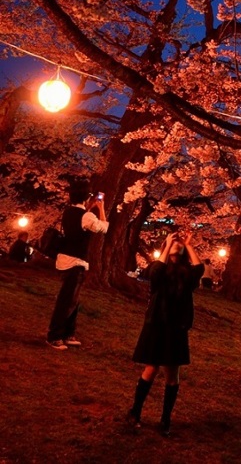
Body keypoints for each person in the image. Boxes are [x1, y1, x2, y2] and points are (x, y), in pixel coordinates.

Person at [127, 231, 204, 436]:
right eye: (173, 241)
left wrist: (188, 244)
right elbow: (154, 274)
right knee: (151, 368)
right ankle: (135, 411)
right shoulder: (159, 267)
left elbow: (200, 269)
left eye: (177, 243)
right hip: (157, 324)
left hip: (176, 326)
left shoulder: (186, 271)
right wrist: (167, 245)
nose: (176, 244)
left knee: (172, 374)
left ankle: (165, 418)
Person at [46, 184, 108, 350]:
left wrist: (89, 207)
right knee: (67, 300)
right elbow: (103, 228)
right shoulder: (86, 216)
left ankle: (68, 333)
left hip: (64, 259)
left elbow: (81, 219)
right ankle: (54, 335)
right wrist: (101, 208)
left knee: (72, 299)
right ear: (86, 198)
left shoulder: (69, 211)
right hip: (75, 261)